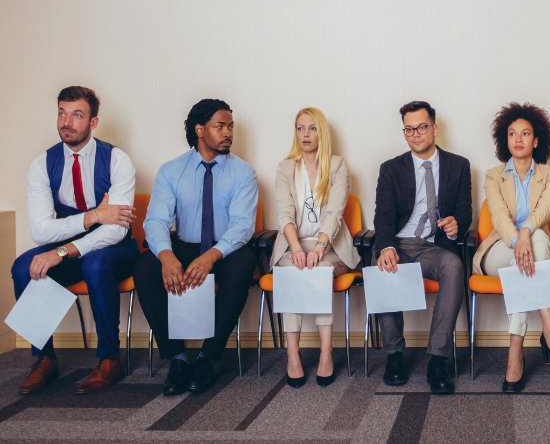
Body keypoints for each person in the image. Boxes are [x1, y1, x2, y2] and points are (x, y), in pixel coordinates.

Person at [12, 86, 138, 395]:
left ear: (93, 122)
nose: (67, 122)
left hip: (114, 250)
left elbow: (117, 229)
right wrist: (94, 215)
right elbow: (40, 231)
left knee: (95, 264)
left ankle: (109, 359)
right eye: (62, 113)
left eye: (77, 115)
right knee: (22, 267)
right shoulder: (42, 164)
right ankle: (44, 359)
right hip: (68, 247)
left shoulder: (118, 160)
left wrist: (65, 249)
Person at [135, 99, 258, 396]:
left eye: (230, 126)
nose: (228, 132)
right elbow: (155, 221)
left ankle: (207, 358)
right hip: (184, 246)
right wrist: (166, 256)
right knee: (144, 267)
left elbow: (242, 225)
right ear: (200, 130)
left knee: (245, 263)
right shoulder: (171, 170)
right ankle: (176, 358)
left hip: (223, 250)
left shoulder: (244, 173)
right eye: (220, 126)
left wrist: (212, 256)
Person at [473, 102, 550, 393]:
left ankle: (514, 354)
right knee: (535, 245)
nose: (518, 139)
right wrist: (519, 239)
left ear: (537, 140)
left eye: (525, 133)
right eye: (512, 133)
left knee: (537, 242)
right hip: (499, 250)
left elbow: (544, 210)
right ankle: (549, 325)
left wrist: (527, 232)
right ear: (505, 140)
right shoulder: (494, 175)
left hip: (533, 251)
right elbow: (498, 215)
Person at [373, 101, 471, 394]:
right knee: (383, 266)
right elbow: (384, 215)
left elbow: (465, 211)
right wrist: (386, 246)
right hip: (400, 243)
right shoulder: (391, 169)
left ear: (435, 129)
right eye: (409, 129)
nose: (416, 134)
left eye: (422, 127)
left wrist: (458, 224)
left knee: (454, 265)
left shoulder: (459, 165)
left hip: (432, 246)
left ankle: (438, 359)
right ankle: (394, 355)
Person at [271, 107, 359, 388]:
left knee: (318, 271)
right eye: (300, 128)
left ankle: (326, 353)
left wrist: (319, 248)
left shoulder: (337, 165)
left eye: (312, 128)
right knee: (294, 272)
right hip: (292, 246)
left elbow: (335, 212)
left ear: (322, 132)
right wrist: (297, 250)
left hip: (331, 248)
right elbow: (284, 215)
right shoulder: (285, 168)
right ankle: (293, 355)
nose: (305, 134)